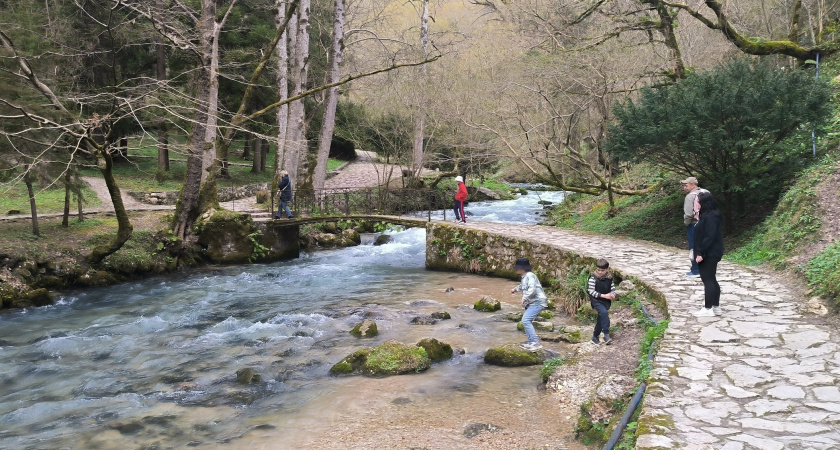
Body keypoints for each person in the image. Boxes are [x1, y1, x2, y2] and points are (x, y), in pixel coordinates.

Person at [692, 191, 724, 317]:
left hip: (709, 252)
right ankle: (715, 307)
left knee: (708, 279)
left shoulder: (711, 217)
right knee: (712, 278)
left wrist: (701, 252)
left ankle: (708, 308)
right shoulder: (707, 215)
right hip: (710, 251)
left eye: (697, 201)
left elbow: (709, 236)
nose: (695, 202)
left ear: (703, 203)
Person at [510, 257, 548, 351]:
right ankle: (531, 341)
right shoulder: (525, 276)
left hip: (538, 302)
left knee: (526, 320)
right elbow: (523, 286)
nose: (516, 269)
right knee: (527, 321)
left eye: (517, 267)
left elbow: (532, 288)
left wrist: (524, 298)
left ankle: (535, 343)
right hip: (534, 302)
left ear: (522, 268)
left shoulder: (530, 275)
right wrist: (515, 289)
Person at [681, 177, 708, 277]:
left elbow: (688, 214)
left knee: (694, 246)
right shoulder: (706, 192)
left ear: (693, 185)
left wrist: (686, 223)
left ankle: (696, 270)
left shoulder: (690, 197)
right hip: (707, 223)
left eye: (686, 185)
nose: (684, 187)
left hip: (694, 224)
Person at [588, 258, 617, 345]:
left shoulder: (609, 278)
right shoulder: (593, 278)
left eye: (602, 270)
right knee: (604, 313)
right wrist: (604, 296)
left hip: (606, 301)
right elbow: (591, 291)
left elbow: (613, 289)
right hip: (596, 300)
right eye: (598, 270)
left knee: (601, 318)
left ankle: (594, 337)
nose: (600, 272)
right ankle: (606, 334)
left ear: (607, 270)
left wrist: (613, 294)